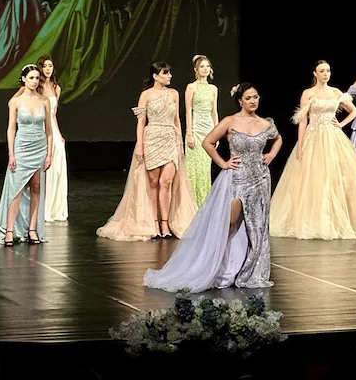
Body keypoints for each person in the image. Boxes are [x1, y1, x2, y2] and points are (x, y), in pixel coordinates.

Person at [144, 82, 282, 292]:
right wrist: (223, 163)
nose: (253, 101)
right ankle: (211, 265)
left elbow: (278, 139)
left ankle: (251, 271)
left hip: (260, 179)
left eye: (255, 97)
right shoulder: (230, 121)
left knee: (258, 227)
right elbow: (207, 142)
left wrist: (271, 154)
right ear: (240, 101)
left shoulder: (265, 123)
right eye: (248, 98)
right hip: (238, 178)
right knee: (228, 223)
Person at [270, 60, 356, 240]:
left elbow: (354, 111)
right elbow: (303, 120)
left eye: (328, 71)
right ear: (315, 73)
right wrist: (300, 145)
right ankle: (314, 219)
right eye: (322, 71)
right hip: (313, 136)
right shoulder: (308, 93)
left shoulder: (335, 92)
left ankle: (337, 218)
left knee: (336, 175)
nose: (326, 74)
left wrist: (340, 124)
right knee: (313, 177)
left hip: (333, 136)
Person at [97, 62, 197, 241]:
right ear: (155, 76)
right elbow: (141, 122)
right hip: (152, 139)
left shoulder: (174, 94)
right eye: (166, 73)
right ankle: (154, 222)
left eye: (169, 73)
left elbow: (176, 120)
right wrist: (140, 144)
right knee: (153, 182)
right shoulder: (146, 95)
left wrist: (179, 141)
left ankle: (165, 223)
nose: (170, 76)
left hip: (170, 139)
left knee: (166, 182)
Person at [0, 64, 53, 245]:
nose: (34, 81)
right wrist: (11, 154)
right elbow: (11, 129)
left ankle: (32, 229)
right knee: (17, 188)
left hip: (39, 148)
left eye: (37, 78)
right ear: (24, 79)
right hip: (22, 148)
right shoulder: (16, 102)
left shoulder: (44, 101)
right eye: (31, 78)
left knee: (36, 187)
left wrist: (49, 154)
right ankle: (9, 230)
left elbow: (49, 130)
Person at [9, 55, 69, 222]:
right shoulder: (34, 86)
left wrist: (59, 135)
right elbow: (13, 102)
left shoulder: (56, 88)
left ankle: (54, 208)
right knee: (39, 172)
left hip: (52, 130)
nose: (48, 69)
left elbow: (53, 115)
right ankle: (39, 209)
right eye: (45, 66)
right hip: (36, 128)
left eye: (50, 66)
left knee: (56, 167)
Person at [184, 54, 219, 206]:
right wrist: (189, 133)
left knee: (205, 168)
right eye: (202, 66)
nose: (205, 69)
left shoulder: (213, 89)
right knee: (193, 169)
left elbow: (214, 111)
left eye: (207, 66)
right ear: (196, 70)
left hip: (208, 130)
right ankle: (192, 205)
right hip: (195, 129)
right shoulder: (192, 87)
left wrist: (217, 134)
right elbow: (188, 111)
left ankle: (205, 204)